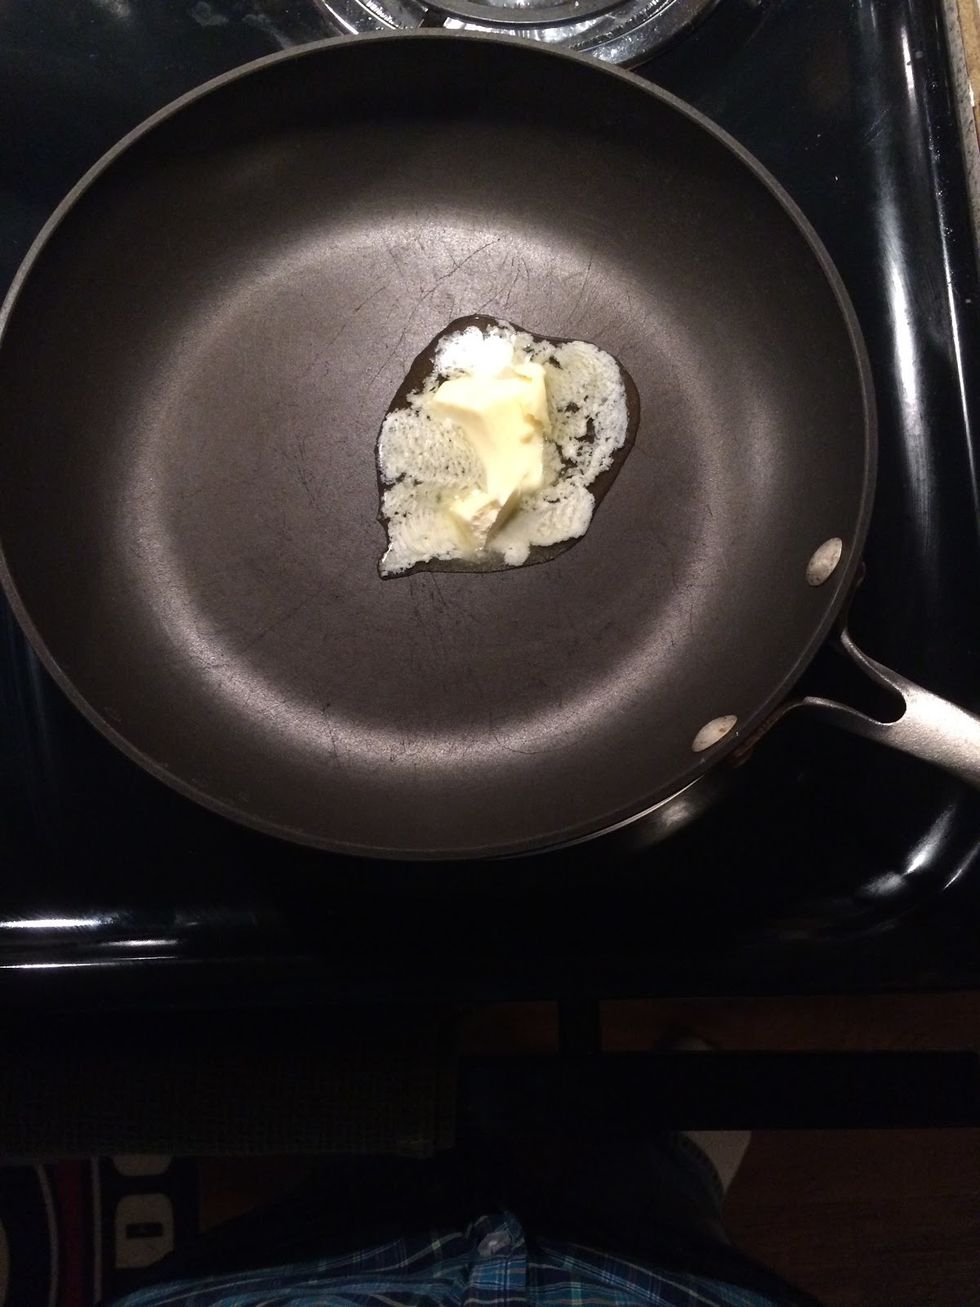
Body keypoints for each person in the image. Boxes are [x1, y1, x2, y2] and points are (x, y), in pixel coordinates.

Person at [108, 1107, 823, 1307]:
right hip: (658, 1278)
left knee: (357, 1183)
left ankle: (379, 1142)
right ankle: (664, 1174)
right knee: (654, 1213)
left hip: (305, 1268)